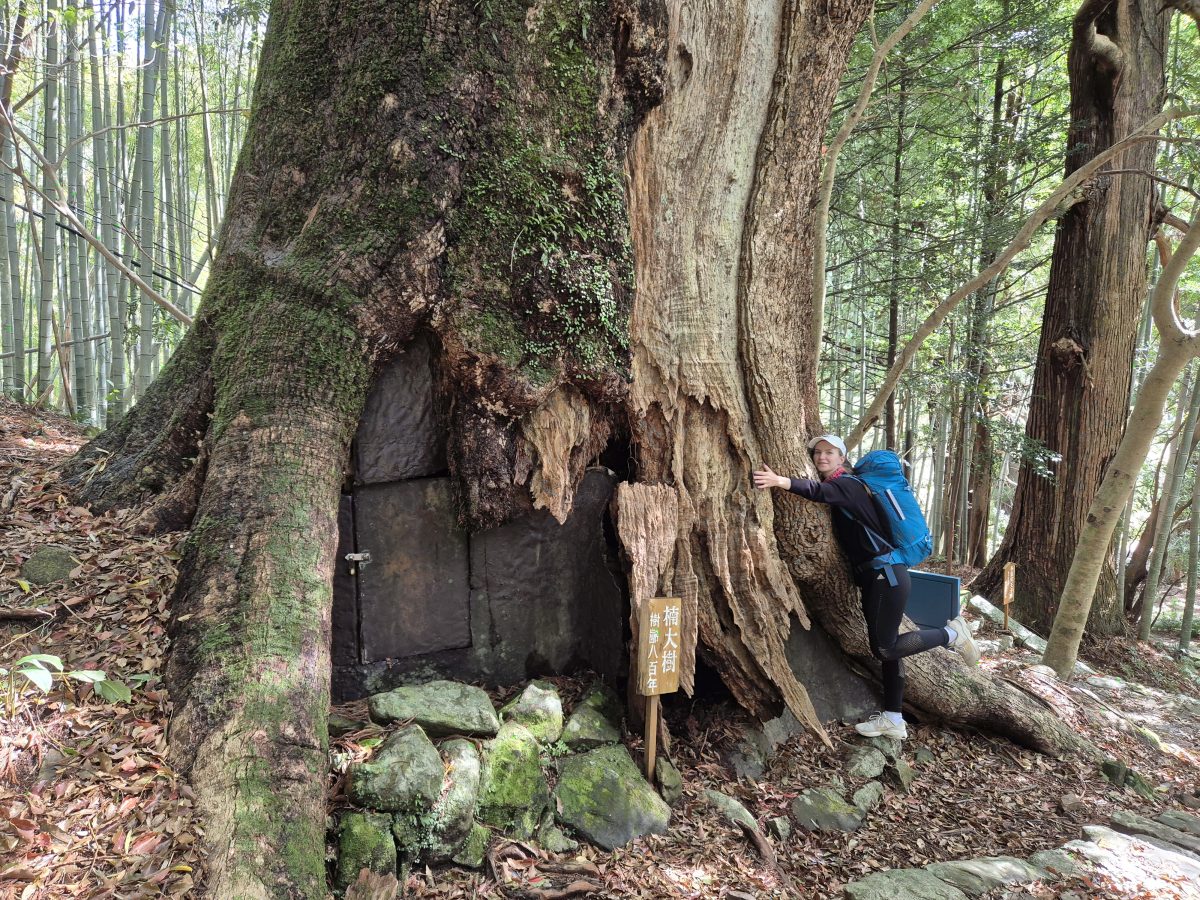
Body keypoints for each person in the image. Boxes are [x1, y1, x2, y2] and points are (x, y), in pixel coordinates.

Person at [753, 434, 979, 740]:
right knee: (890, 650)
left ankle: (952, 634)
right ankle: (893, 718)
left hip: (886, 576)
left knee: (885, 647)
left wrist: (780, 481)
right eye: (817, 452)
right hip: (883, 576)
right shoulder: (850, 486)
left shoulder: (847, 485)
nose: (822, 457)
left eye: (829, 452)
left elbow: (818, 491)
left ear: (842, 458)